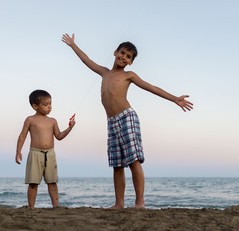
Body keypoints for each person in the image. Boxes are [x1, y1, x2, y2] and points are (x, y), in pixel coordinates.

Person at [62, 33, 193, 209]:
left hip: (126, 117)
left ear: (131, 62)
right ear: (115, 52)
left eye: (128, 56)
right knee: (117, 165)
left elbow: (152, 88)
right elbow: (86, 60)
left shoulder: (128, 75)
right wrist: (73, 45)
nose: (124, 57)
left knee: (133, 160)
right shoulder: (104, 72)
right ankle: (119, 203)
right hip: (111, 122)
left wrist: (174, 99)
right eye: (122, 53)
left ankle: (140, 202)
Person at [15, 89, 76, 208]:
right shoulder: (30, 120)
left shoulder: (52, 121)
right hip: (35, 154)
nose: (49, 107)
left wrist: (70, 128)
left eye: (50, 103)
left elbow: (59, 136)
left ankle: (56, 206)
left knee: (52, 182)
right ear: (35, 106)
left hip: (50, 154)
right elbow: (22, 135)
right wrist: (18, 151)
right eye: (45, 104)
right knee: (33, 183)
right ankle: (31, 208)